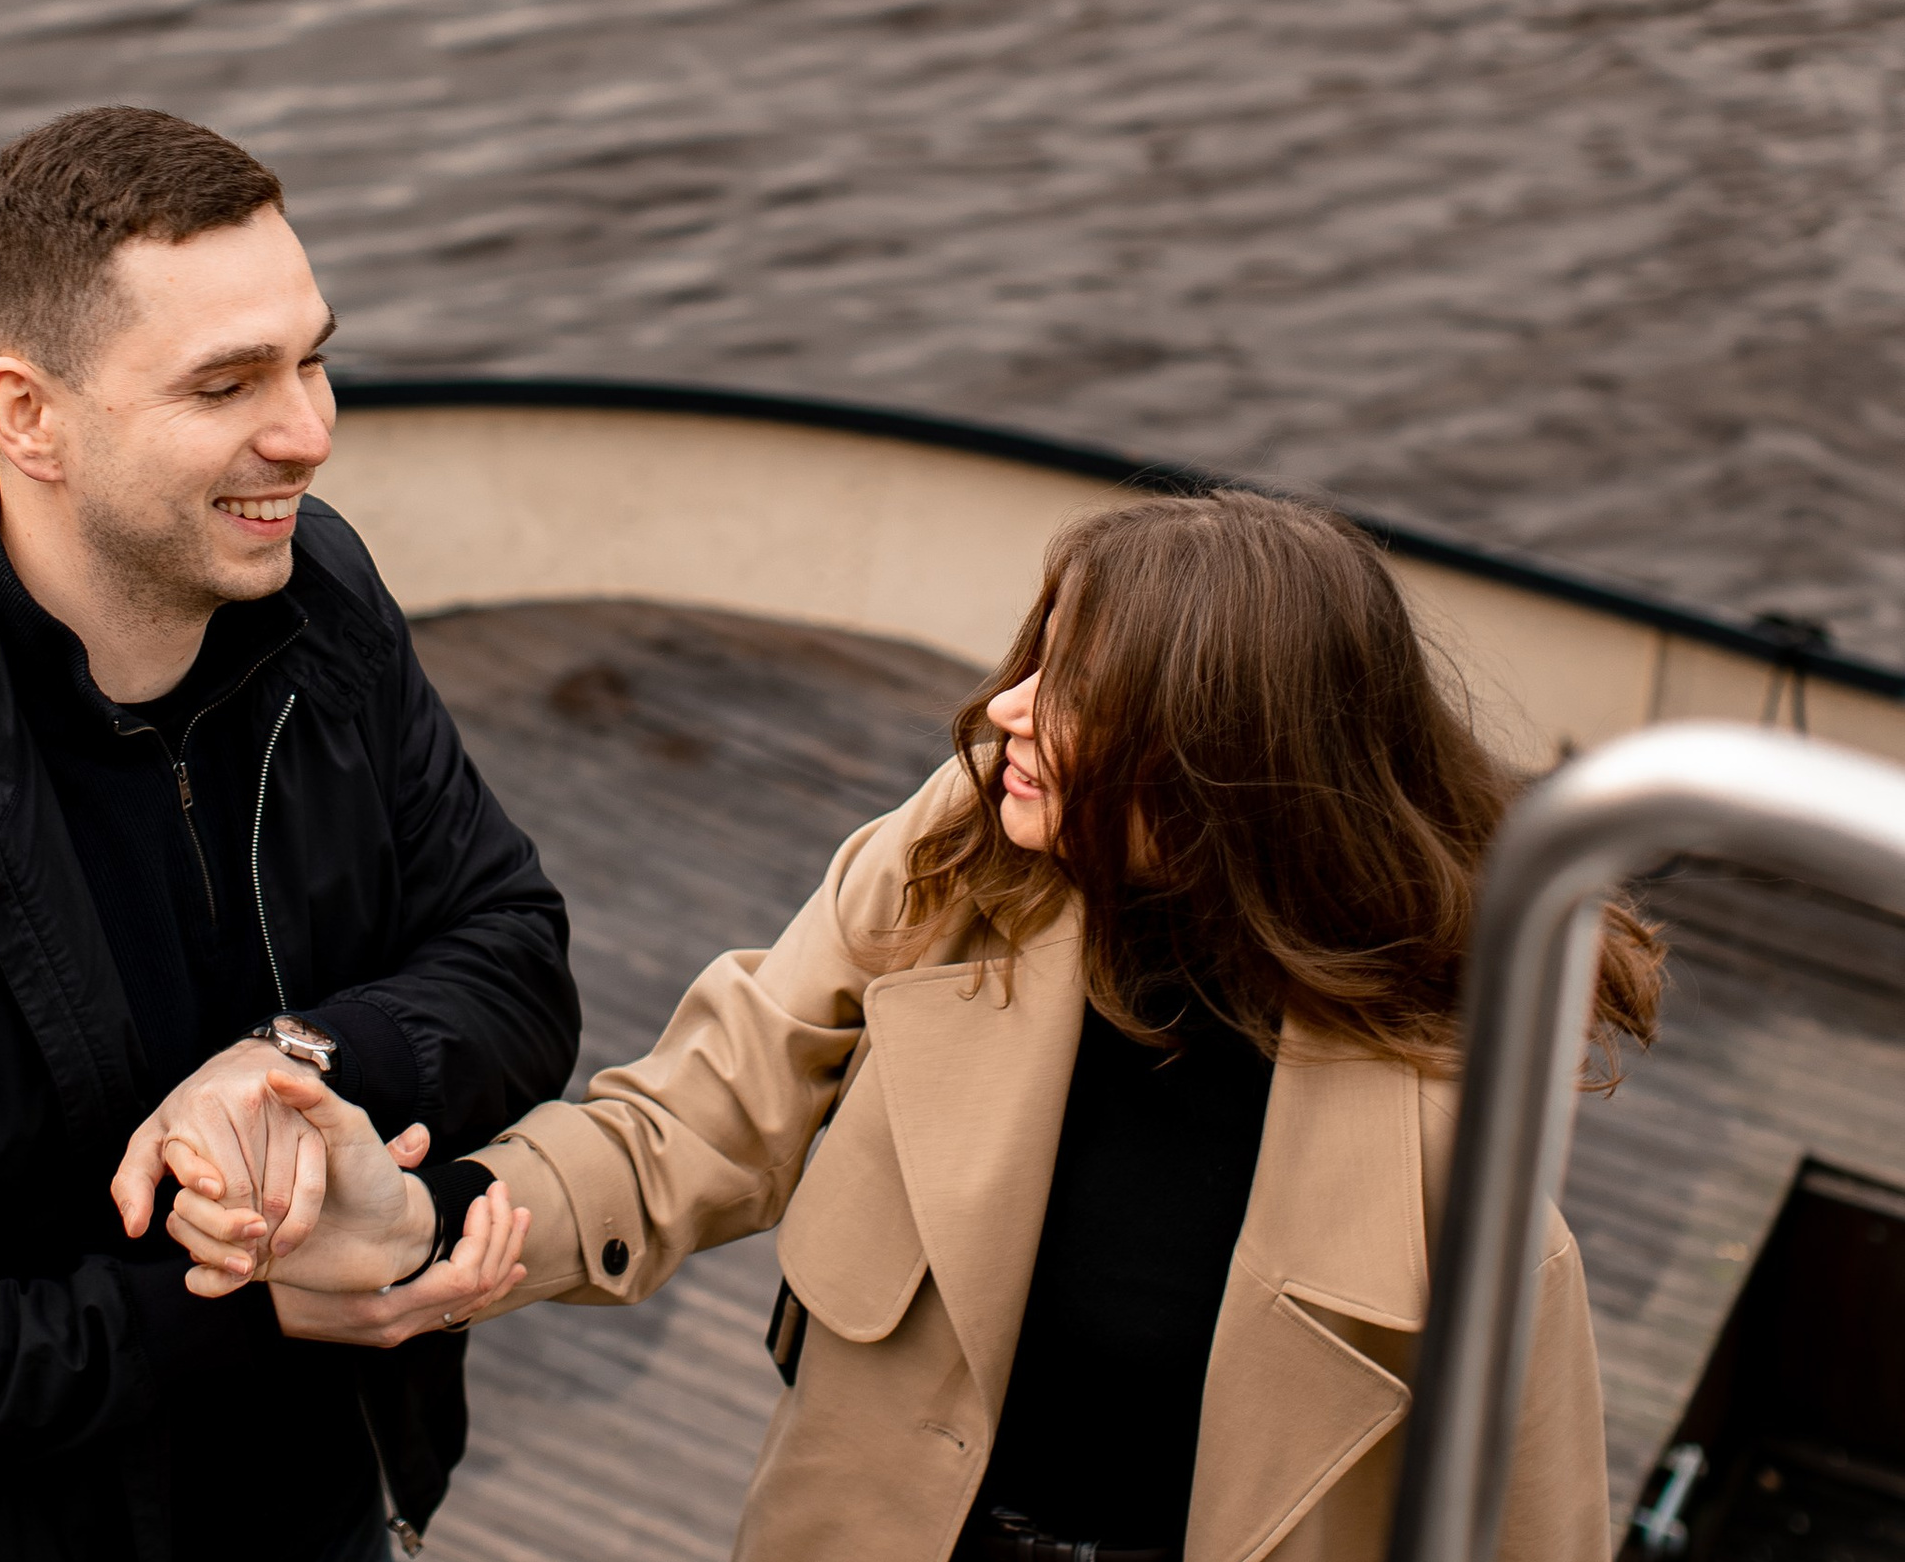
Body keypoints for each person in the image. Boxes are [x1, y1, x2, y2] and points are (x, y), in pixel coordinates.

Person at [166, 486, 1660, 1562]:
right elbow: (698, 1121)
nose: (1004, 708)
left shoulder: (1456, 1137)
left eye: (1073, 693)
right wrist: (438, 1222)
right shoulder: (959, 864)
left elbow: (1530, 1523)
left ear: (1218, 780)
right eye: (1034, 656)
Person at [0, 107, 579, 1562]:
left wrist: (291, 1063)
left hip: (324, 1505)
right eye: (228, 384)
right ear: (28, 414)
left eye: (312, 356)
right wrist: (257, 1295)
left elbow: (515, 953)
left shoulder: (319, 595)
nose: (310, 430)